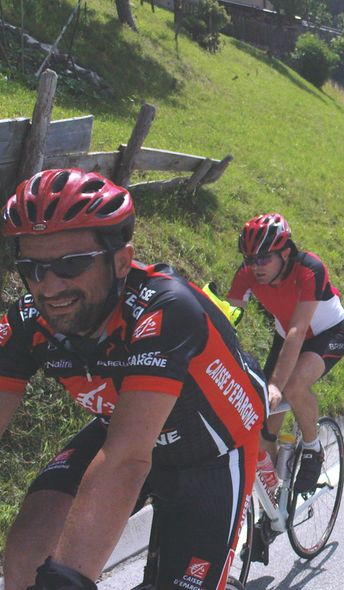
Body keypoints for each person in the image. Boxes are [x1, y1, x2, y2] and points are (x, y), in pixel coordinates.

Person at [0, 169, 266, 590]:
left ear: (122, 261)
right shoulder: (28, 321)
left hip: (211, 454)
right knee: (24, 556)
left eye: (71, 265)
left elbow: (125, 460)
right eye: (31, 268)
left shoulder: (166, 308)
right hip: (124, 429)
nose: (48, 287)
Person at [226, 213, 344, 494]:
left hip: (327, 334)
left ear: (284, 252)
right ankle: (272, 504)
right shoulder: (247, 274)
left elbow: (298, 329)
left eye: (263, 258)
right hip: (286, 338)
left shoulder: (309, 268)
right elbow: (226, 321)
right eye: (249, 259)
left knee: (292, 387)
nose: (255, 267)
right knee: (263, 426)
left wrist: (275, 385)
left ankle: (312, 447)